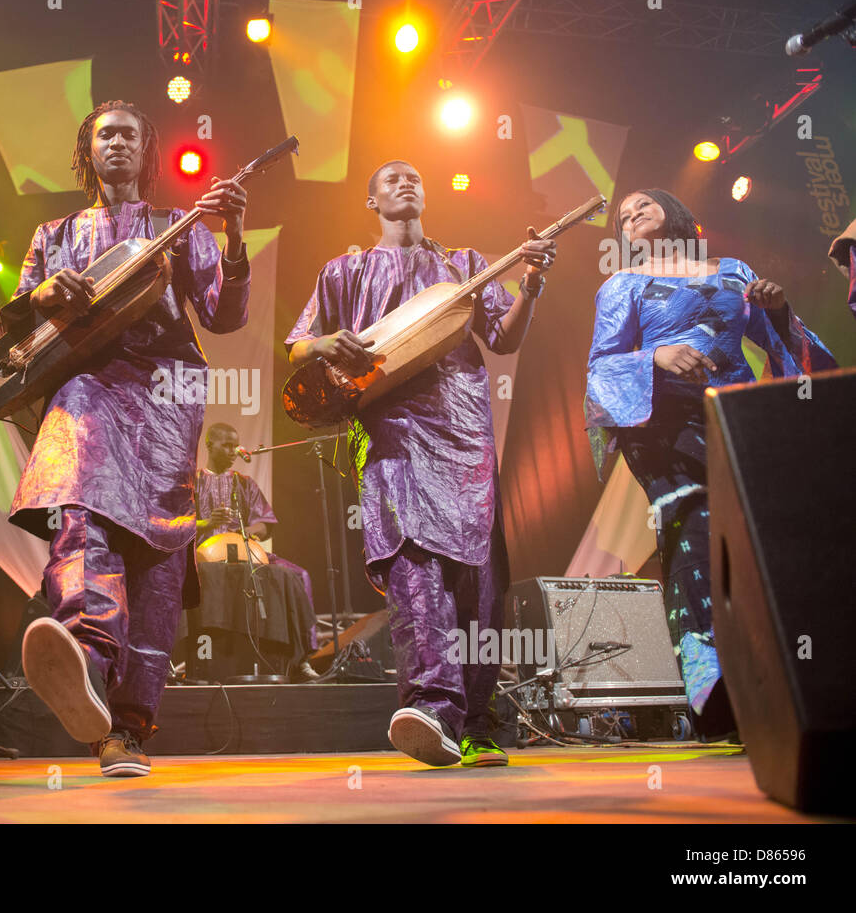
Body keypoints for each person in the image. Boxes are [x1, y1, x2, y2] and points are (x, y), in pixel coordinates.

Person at [8, 100, 250, 777]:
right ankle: (85, 653)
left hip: (167, 399)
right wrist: (43, 293)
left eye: (129, 134)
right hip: (86, 388)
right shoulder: (52, 233)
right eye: (103, 133)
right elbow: (16, 320)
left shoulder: (181, 226)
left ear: (147, 152)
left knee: (158, 557)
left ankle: (128, 729)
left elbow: (226, 315)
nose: (115, 142)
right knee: (80, 512)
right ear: (87, 150)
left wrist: (232, 238)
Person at [286, 160, 555, 767]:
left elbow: (504, 339)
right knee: (413, 563)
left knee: (477, 578)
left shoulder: (465, 263)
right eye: (391, 178)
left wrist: (532, 282)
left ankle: (478, 723)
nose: (405, 183)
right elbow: (297, 344)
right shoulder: (345, 269)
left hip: (463, 432)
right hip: (391, 431)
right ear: (370, 200)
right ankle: (431, 708)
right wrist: (329, 342)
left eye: (413, 176)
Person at [586, 188, 835, 737]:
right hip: (660, 428)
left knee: (753, 543)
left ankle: (773, 682)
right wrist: (655, 354)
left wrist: (778, 307)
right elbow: (601, 369)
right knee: (692, 529)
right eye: (623, 216)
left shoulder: (733, 270)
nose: (631, 217)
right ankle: (712, 685)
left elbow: (784, 344)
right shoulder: (621, 285)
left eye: (641, 206)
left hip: (735, 417)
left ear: (674, 213)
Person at [194, 421, 319, 680]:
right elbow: (178, 522)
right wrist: (208, 523)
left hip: (245, 553)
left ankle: (301, 659)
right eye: (226, 445)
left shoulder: (244, 483)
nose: (232, 451)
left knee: (298, 575)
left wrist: (251, 531)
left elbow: (265, 522)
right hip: (204, 555)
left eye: (235, 446)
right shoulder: (193, 481)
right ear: (209, 445)